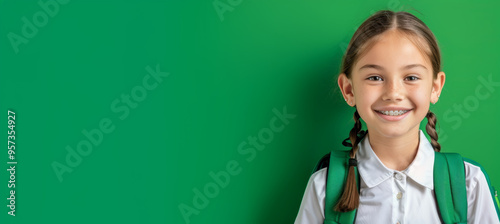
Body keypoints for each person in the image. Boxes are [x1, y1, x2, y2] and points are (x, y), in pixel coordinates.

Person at [294, 10, 500, 224]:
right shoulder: (325, 186)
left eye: (411, 77)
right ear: (348, 90)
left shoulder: (469, 184)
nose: (393, 93)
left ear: (435, 87)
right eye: (375, 77)